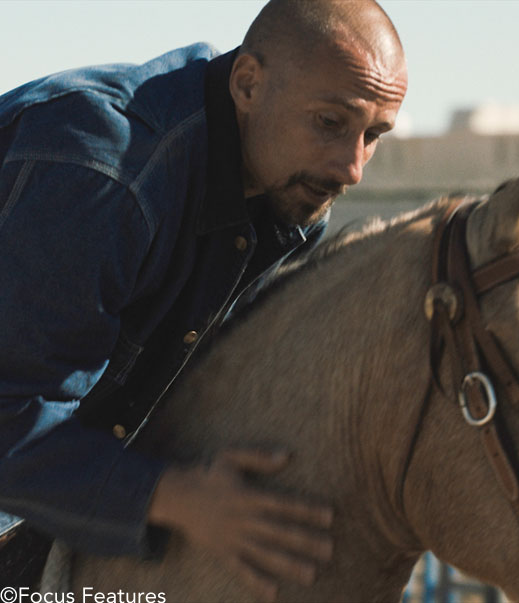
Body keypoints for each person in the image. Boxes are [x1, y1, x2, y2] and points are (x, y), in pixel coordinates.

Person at [0, 0, 407, 597]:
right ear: (247, 84)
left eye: (372, 135)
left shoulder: (290, 189)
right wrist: (174, 498)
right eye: (329, 122)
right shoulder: (105, 172)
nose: (352, 169)